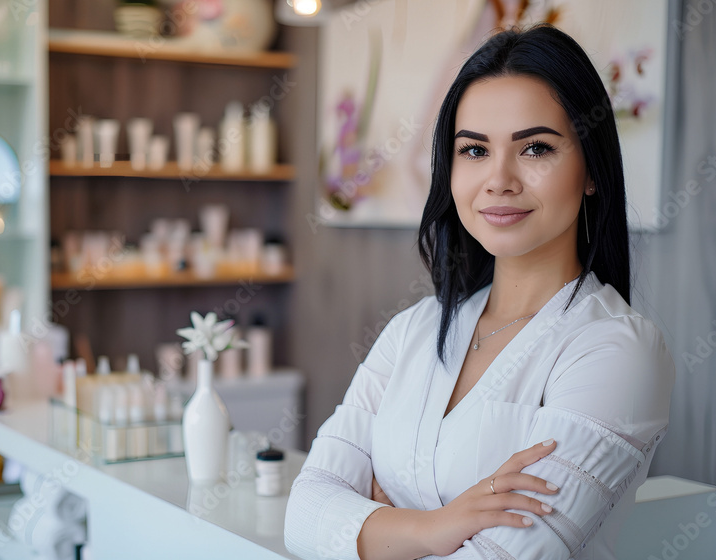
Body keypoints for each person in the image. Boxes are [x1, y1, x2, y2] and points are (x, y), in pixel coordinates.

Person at [284, 24, 675, 560]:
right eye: (473, 151)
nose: (499, 179)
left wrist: (374, 527)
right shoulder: (413, 331)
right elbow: (303, 514)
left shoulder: (613, 349)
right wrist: (435, 529)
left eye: (535, 148)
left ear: (591, 171)